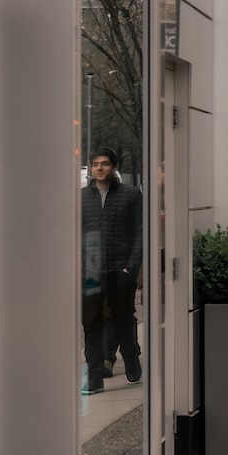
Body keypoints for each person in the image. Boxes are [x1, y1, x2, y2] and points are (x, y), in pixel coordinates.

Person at [81, 148, 143, 395]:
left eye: (104, 164)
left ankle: (130, 357)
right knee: (92, 325)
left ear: (114, 166)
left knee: (123, 320)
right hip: (91, 270)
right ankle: (94, 378)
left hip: (120, 268)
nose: (99, 168)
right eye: (95, 164)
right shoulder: (82, 197)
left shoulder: (130, 195)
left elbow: (140, 231)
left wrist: (132, 265)